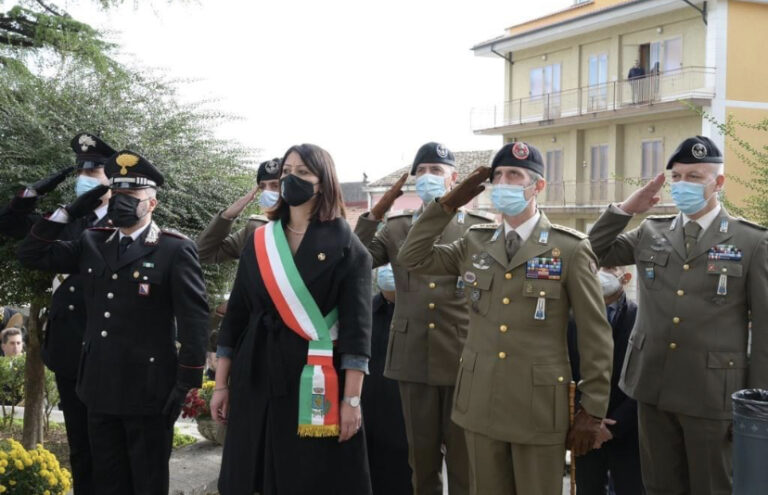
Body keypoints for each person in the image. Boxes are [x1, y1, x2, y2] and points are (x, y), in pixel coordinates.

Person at [397, 141, 613, 495]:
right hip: (481, 403)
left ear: (537, 186)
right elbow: (412, 258)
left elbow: (596, 336)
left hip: (537, 407)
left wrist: (593, 409)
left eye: (515, 175)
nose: (504, 182)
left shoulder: (569, 249)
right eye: (498, 176)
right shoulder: (475, 243)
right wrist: (446, 205)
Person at [18, 150, 209, 495]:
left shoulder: (173, 249)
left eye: (131, 197)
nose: (122, 203)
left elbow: (194, 320)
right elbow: (30, 255)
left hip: (149, 390)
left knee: (147, 482)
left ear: (152, 204)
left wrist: (185, 384)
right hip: (98, 386)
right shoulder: (93, 241)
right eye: (117, 195)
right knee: (107, 480)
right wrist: (68, 212)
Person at [588, 135, 768, 495]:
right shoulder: (650, 232)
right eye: (678, 177)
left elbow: (764, 329)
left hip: (713, 394)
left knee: (712, 487)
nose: (683, 184)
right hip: (652, 385)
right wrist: (626, 209)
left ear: (718, 183)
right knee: (659, 487)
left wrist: (755, 403)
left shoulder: (751, 242)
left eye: (695, 177)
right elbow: (589, 252)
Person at [210, 143, 374, 495]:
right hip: (255, 373)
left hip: (314, 380)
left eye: (302, 173)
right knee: (248, 472)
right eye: (286, 172)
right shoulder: (259, 241)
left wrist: (352, 401)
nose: (290, 179)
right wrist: (221, 384)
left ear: (323, 181)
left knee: (305, 477)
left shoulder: (347, 245)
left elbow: (358, 333)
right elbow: (235, 316)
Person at [354, 142, 494, 495]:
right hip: (413, 355)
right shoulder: (397, 227)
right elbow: (356, 260)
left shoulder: (478, 229)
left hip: (462, 356)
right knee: (421, 459)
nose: (429, 177)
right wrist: (373, 216)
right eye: (423, 171)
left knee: (464, 462)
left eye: (437, 171)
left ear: (454, 179)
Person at [0, 132, 115, 495]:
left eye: (94, 172)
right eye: (81, 171)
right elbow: (9, 227)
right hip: (67, 344)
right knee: (79, 442)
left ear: (111, 181)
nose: (86, 177)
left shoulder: (123, 217)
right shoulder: (67, 217)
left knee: (107, 441)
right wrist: (29, 196)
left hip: (106, 343)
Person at [567, 266, 643, 495]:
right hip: (585, 427)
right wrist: (588, 418)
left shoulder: (642, 319)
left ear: (626, 277)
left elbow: (647, 378)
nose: (601, 271)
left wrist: (613, 426)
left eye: (610, 267)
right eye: (597, 265)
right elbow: (568, 372)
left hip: (630, 431)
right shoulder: (572, 319)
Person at [362, 264, 413, 495]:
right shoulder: (366, 311)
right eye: (386, 265)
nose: (389, 270)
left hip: (404, 426)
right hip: (365, 424)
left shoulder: (419, 315)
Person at [196, 158, 282, 264]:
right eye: (262, 187)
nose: (267, 192)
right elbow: (202, 254)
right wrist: (226, 216)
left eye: (275, 186)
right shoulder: (256, 227)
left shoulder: (307, 226)